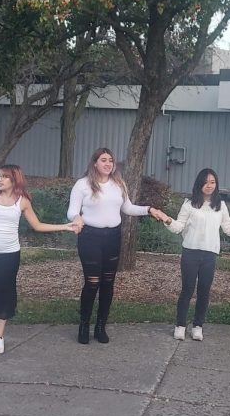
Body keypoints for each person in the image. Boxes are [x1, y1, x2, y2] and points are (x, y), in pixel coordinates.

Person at [0, 165, 82, 355]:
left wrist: (66, 227)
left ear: (14, 180)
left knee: (4, 292)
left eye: (4, 177)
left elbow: (37, 225)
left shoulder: (22, 201)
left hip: (9, 255)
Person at [66, 147, 163, 344]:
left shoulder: (118, 184)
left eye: (111, 160)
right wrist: (76, 218)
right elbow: (72, 211)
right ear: (95, 163)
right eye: (103, 160)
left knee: (108, 283)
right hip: (90, 237)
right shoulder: (82, 185)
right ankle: (84, 325)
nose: (108, 163)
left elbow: (128, 208)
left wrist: (150, 209)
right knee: (93, 282)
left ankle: (101, 326)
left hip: (112, 237)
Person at [155, 169, 230, 341]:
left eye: (212, 182)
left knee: (204, 291)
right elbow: (178, 227)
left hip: (210, 254)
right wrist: (166, 219)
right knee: (187, 290)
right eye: (206, 182)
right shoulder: (189, 204)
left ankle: (198, 326)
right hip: (190, 252)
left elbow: (229, 229)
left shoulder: (220, 205)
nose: (209, 185)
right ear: (199, 184)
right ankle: (180, 325)